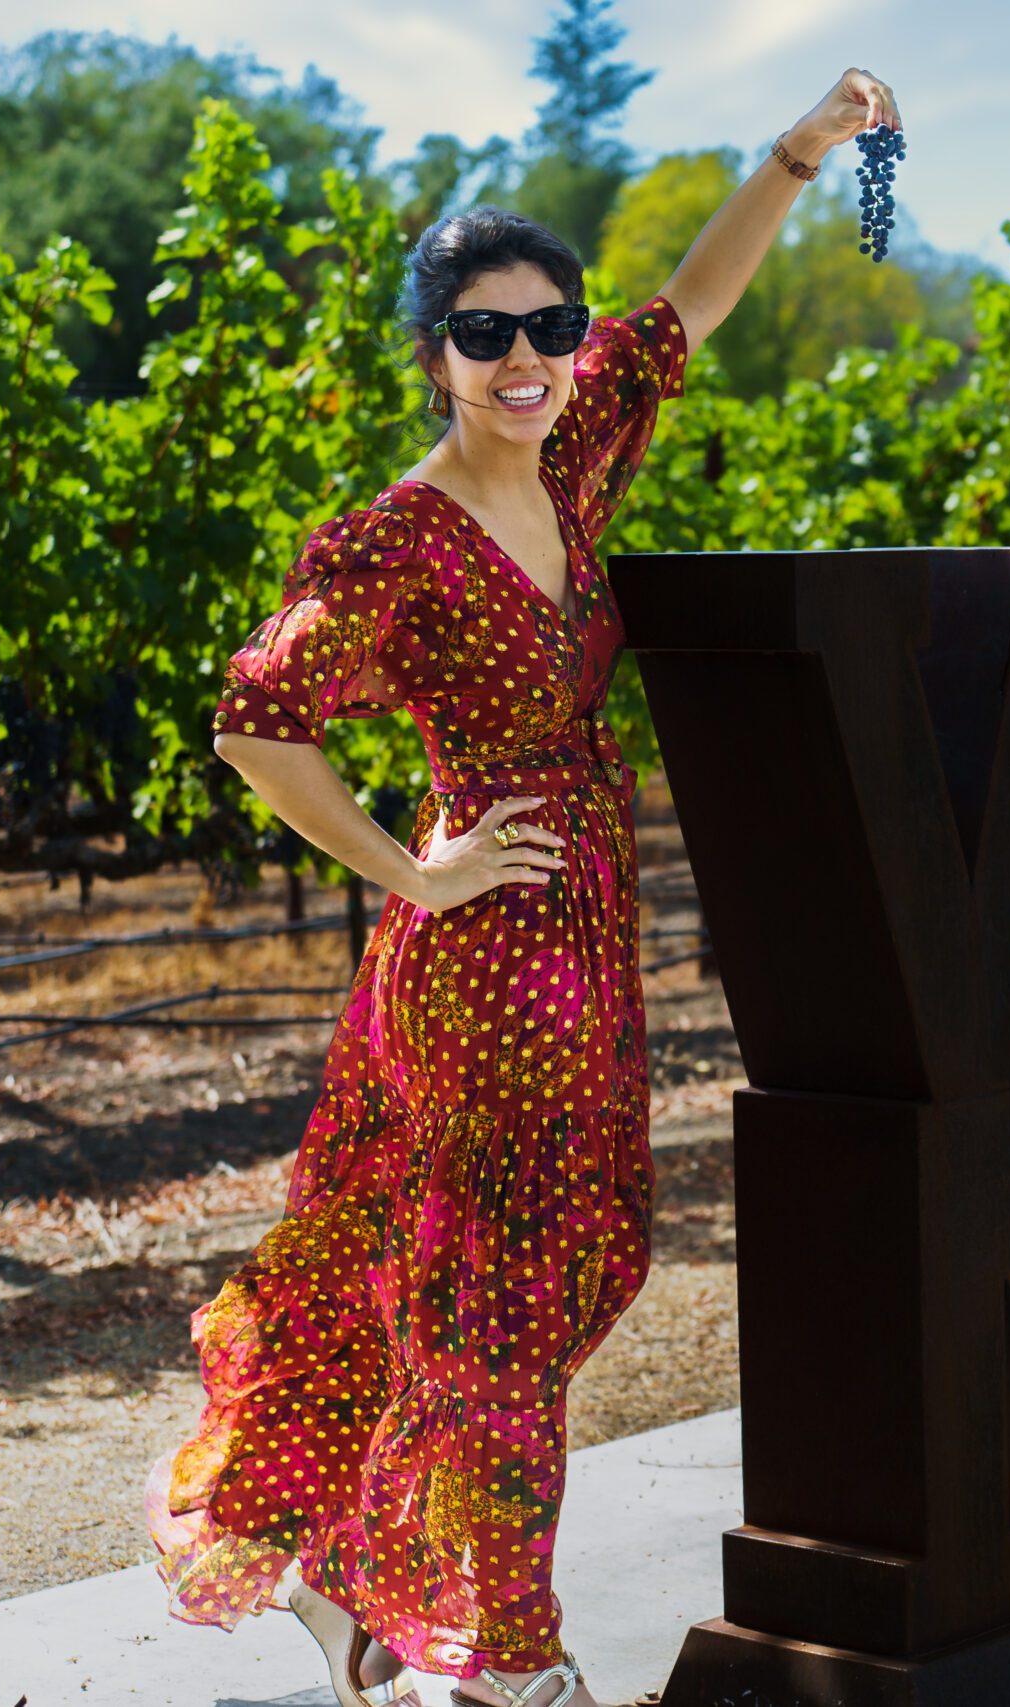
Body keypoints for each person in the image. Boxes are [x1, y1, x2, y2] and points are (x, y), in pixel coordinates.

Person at [143, 67, 903, 1707]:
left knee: (587, 1261)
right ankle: (502, 1662)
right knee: (494, 1304)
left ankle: (356, 1577)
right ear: (435, 353)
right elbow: (254, 723)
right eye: (486, 335)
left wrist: (797, 153)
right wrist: (415, 867)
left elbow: (690, 303)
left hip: (589, 942)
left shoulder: (570, 466)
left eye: (546, 326)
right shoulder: (396, 543)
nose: (528, 359)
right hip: (484, 960)